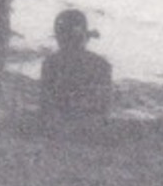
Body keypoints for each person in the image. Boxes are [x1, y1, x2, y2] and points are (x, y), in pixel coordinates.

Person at [40, 8, 113, 136]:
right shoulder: (101, 65)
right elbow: (103, 108)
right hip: (91, 130)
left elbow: (46, 104)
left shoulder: (50, 63)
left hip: (58, 128)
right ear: (84, 38)